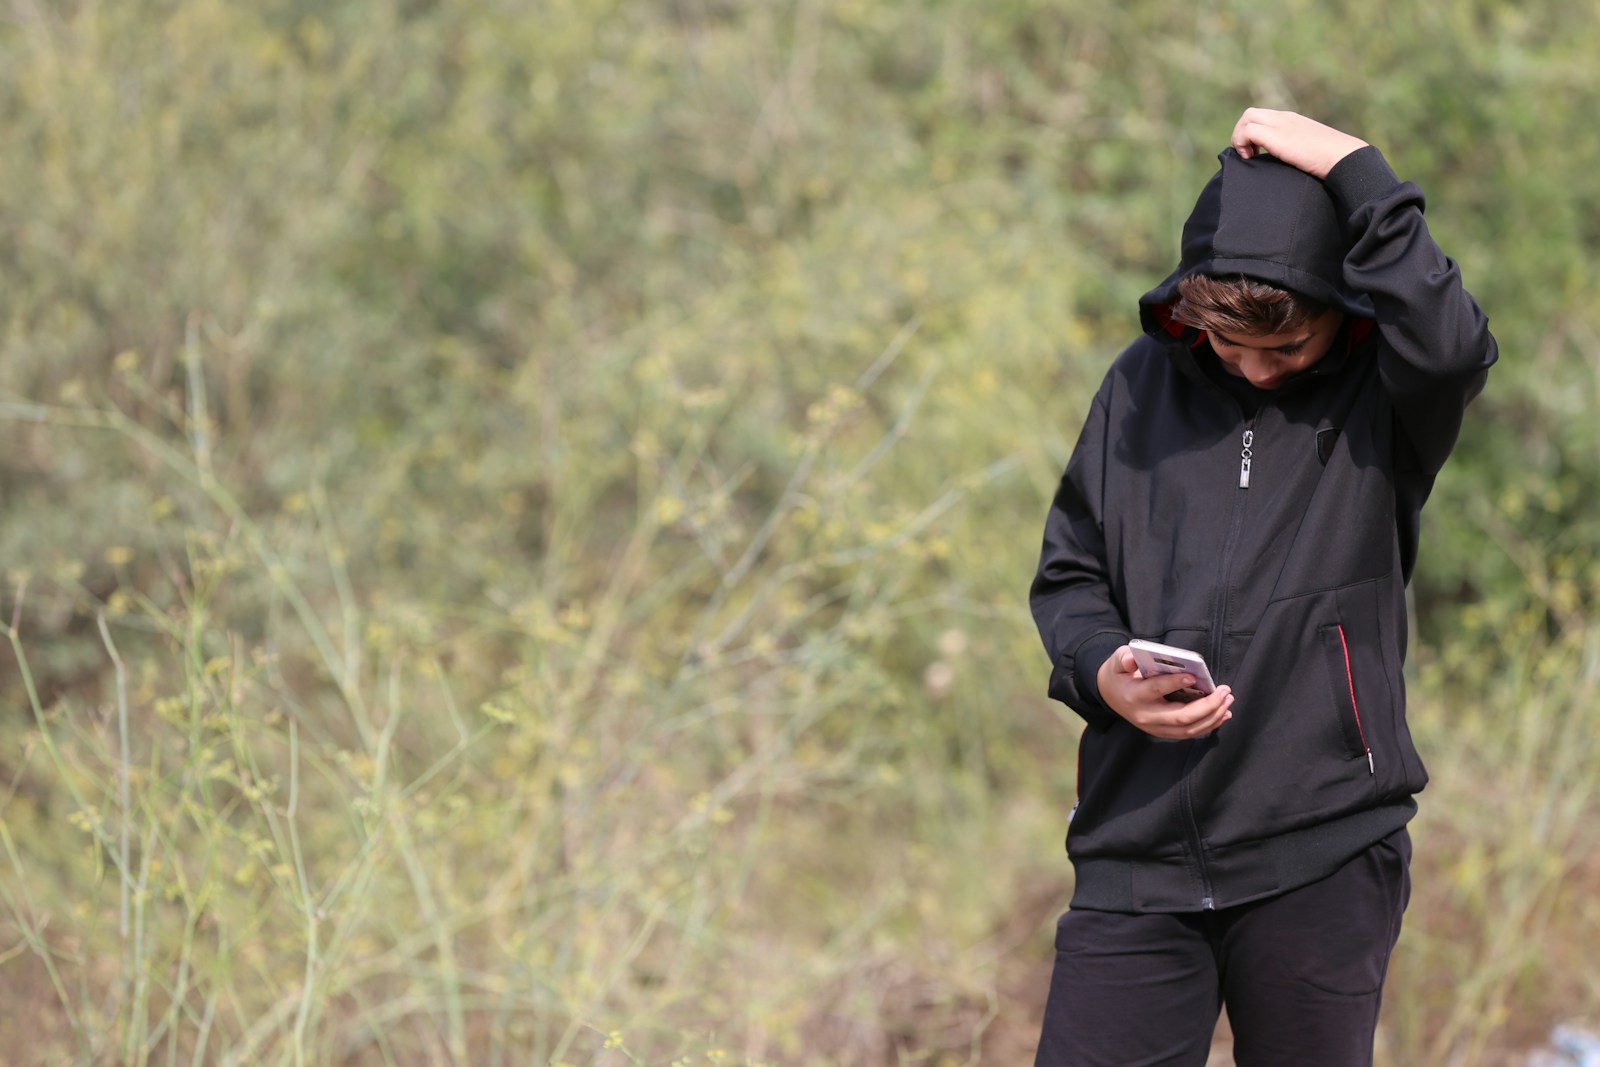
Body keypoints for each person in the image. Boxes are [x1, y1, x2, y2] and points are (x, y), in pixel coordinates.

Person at [1028, 108, 1497, 1066]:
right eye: (1230, 343)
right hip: (1135, 853)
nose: (1254, 366)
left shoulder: (1385, 398)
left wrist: (1354, 166)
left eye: (1287, 348)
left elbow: (1451, 343)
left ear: (1344, 311)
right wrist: (1098, 668)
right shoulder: (1137, 385)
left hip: (1320, 853)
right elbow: (1071, 571)